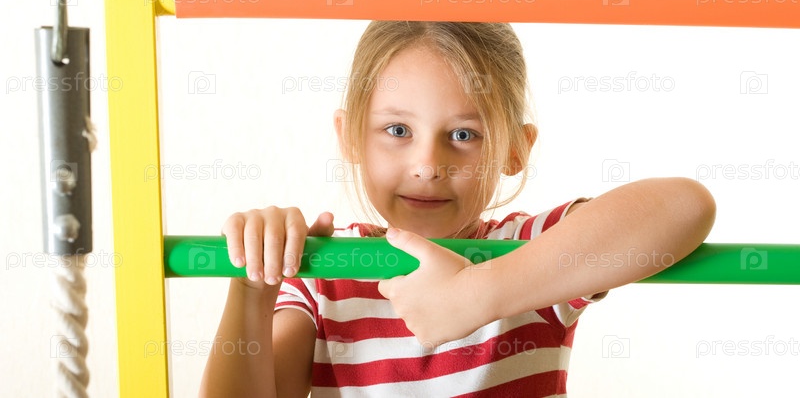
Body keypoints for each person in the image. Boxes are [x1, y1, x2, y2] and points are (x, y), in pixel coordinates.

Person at [199, 21, 715, 397]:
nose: (428, 165)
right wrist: (252, 289)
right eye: (398, 130)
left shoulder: (529, 253)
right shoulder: (322, 278)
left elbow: (683, 207)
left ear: (515, 149)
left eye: (464, 135)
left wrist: (477, 293)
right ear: (350, 136)